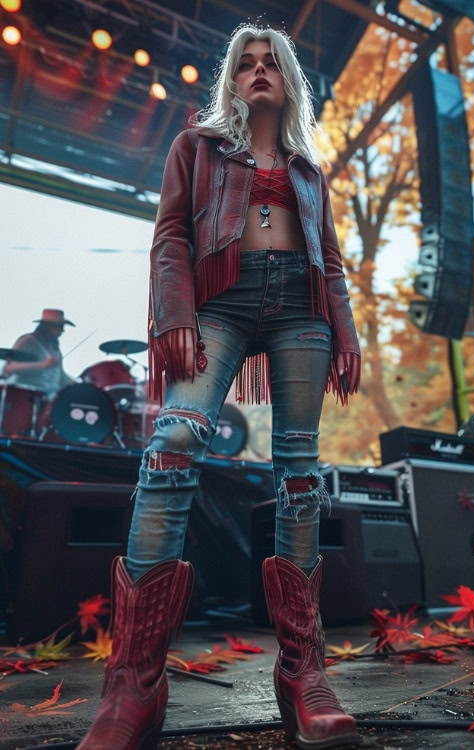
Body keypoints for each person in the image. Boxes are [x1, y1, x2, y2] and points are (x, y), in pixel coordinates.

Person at [77, 22, 361, 750]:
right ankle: (133, 682)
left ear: (288, 80)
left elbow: (329, 262)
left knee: (301, 471)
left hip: (302, 313)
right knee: (172, 443)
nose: (259, 71)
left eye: (271, 63)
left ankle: (304, 673)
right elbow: (171, 234)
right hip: (219, 306)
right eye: (247, 64)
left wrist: (348, 336)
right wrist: (172, 312)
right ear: (232, 80)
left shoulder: (308, 171)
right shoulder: (196, 148)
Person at [2, 309, 76, 399]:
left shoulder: (55, 349)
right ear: (48, 326)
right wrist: (42, 365)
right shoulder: (29, 341)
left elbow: (60, 375)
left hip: (49, 400)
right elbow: (9, 368)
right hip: (25, 398)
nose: (63, 331)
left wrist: (77, 383)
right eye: (60, 327)